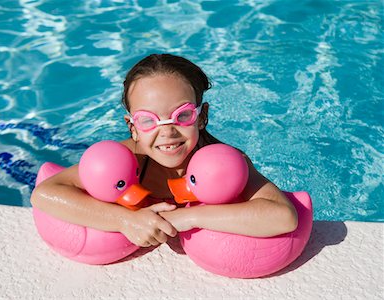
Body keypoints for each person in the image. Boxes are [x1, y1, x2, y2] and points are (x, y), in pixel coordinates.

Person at [30, 53, 298, 248]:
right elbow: (45, 194)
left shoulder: (224, 164)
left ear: (202, 115)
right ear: (132, 127)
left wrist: (188, 217)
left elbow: (282, 216)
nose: (167, 132)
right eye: (148, 120)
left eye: (181, 116)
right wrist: (125, 221)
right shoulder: (130, 159)